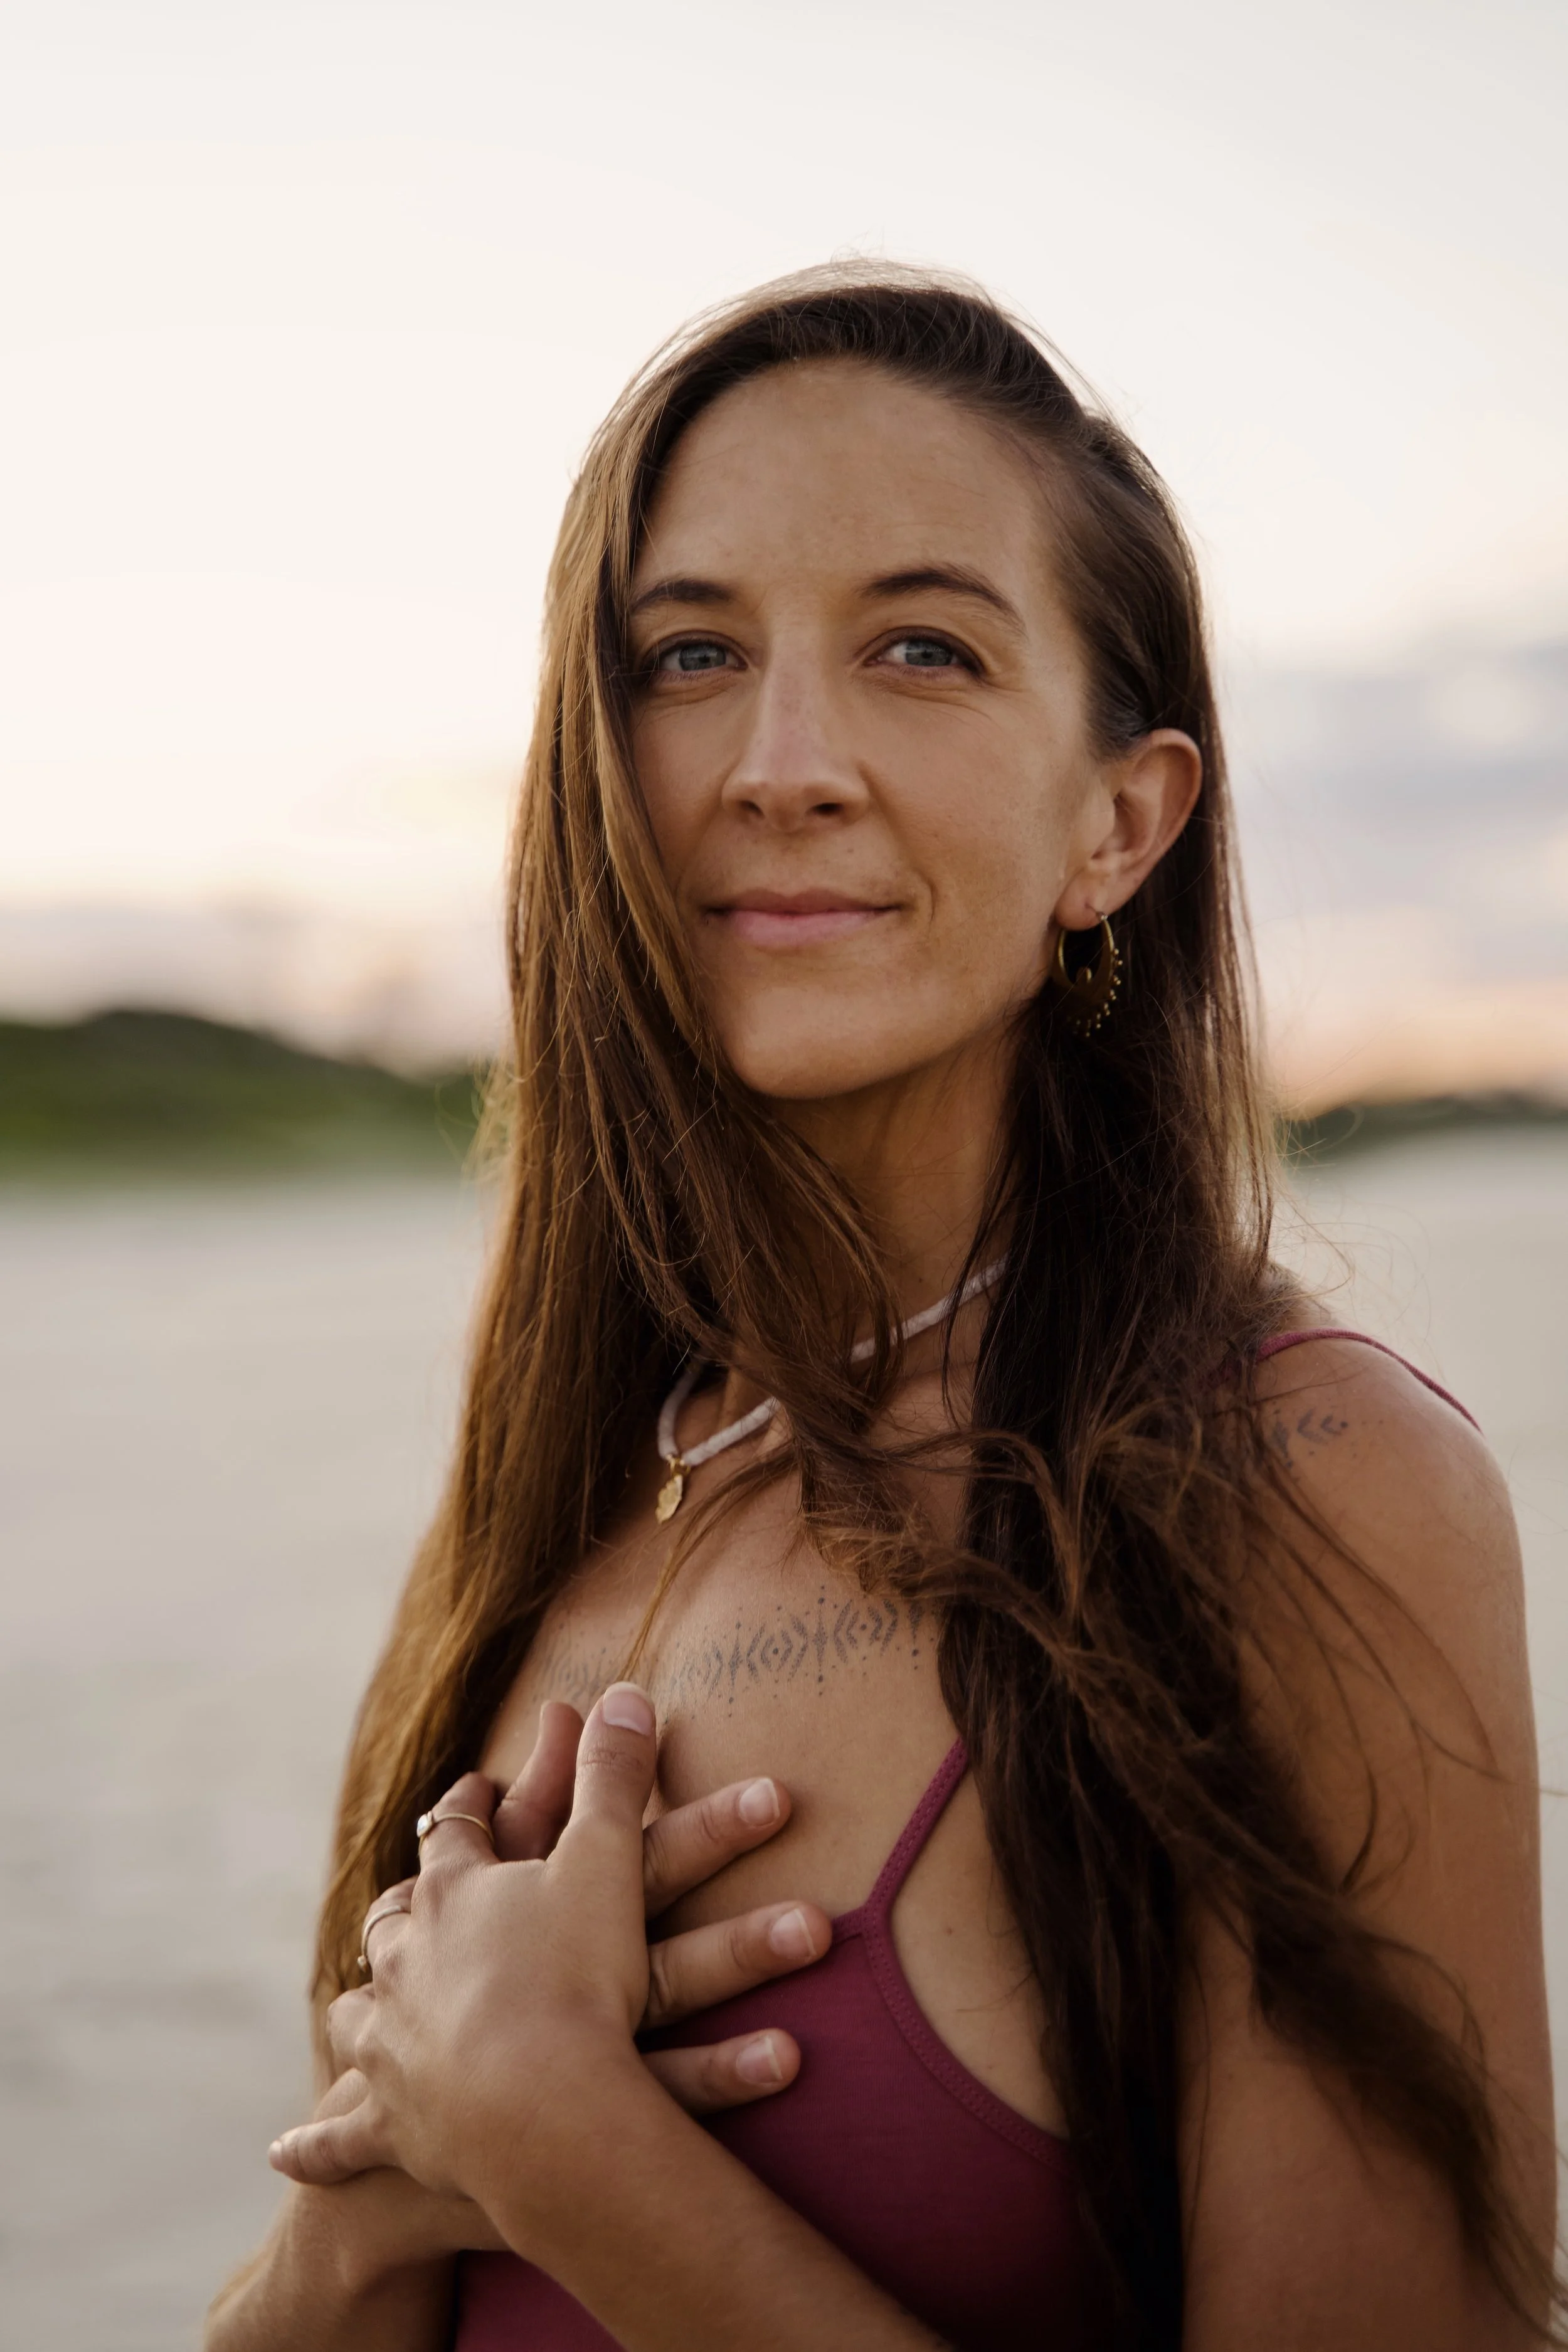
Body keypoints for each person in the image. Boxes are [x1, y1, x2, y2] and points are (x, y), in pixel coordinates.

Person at [206, 267, 1556, 2352]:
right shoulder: (561, 1489)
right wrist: (354, 2227)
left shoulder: (1298, 1484)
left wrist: (573, 2151)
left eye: (922, 648)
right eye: (689, 653)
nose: (783, 763)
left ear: (1118, 822)